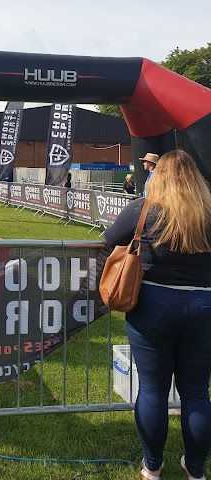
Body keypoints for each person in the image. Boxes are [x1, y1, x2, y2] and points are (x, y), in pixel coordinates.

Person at [104, 150, 211, 480]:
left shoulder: (142, 208)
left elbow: (107, 240)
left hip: (153, 306)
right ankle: (195, 471)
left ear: (157, 177)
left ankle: (152, 467)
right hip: (204, 308)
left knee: (152, 390)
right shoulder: (208, 210)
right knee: (196, 392)